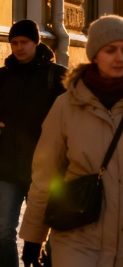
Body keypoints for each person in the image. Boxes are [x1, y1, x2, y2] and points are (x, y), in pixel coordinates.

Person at [19, 14, 123, 266]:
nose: (120, 57)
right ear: (95, 55)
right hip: (77, 234)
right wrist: (34, 235)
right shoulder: (66, 105)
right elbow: (46, 174)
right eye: (110, 50)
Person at [0, 20, 67, 267]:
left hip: (48, 171)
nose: (19, 47)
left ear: (36, 42)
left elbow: (74, 117)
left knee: (52, 236)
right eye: (14, 43)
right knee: (3, 231)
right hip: (7, 169)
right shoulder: (2, 77)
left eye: (24, 42)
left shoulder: (57, 75)